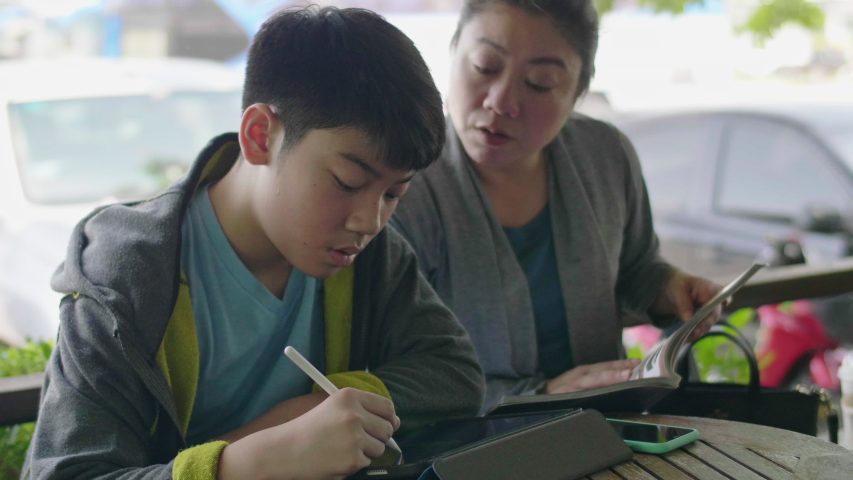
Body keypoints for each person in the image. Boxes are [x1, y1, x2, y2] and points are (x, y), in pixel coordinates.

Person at [24, 7, 485, 479]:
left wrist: (312, 408)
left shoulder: (365, 255)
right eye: (348, 182)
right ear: (260, 135)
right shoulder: (126, 278)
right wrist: (248, 460)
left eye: (394, 194)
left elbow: (456, 373)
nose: (370, 221)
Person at [391, 0, 723, 413]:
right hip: (467, 450)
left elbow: (636, 268)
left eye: (540, 83)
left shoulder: (605, 155)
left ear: (578, 94)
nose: (501, 101)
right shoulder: (403, 184)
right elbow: (398, 371)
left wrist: (669, 288)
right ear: (453, 54)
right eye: (485, 67)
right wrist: (539, 398)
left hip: (611, 427)